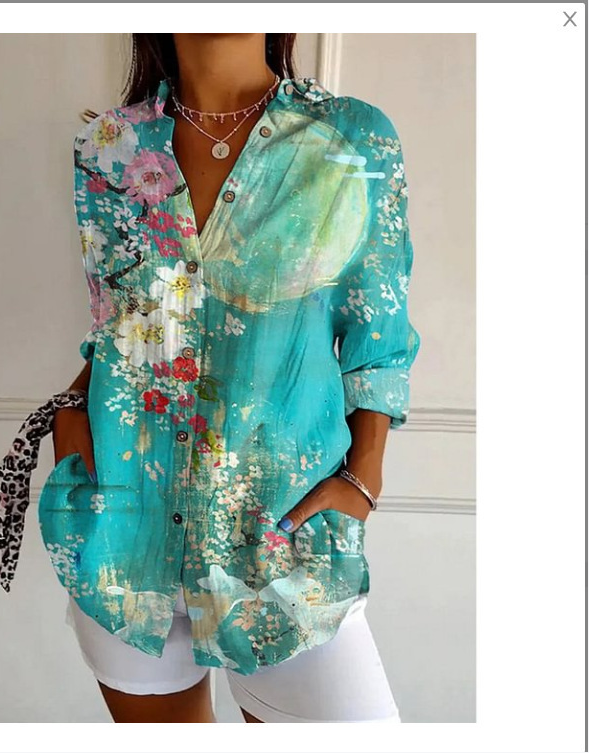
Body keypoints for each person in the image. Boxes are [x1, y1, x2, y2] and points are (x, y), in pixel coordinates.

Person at [34, 33, 420, 723]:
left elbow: (378, 335)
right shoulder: (108, 149)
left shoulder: (351, 139)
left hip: (285, 546)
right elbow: (121, 325)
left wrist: (364, 479)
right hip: (124, 539)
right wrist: (70, 418)